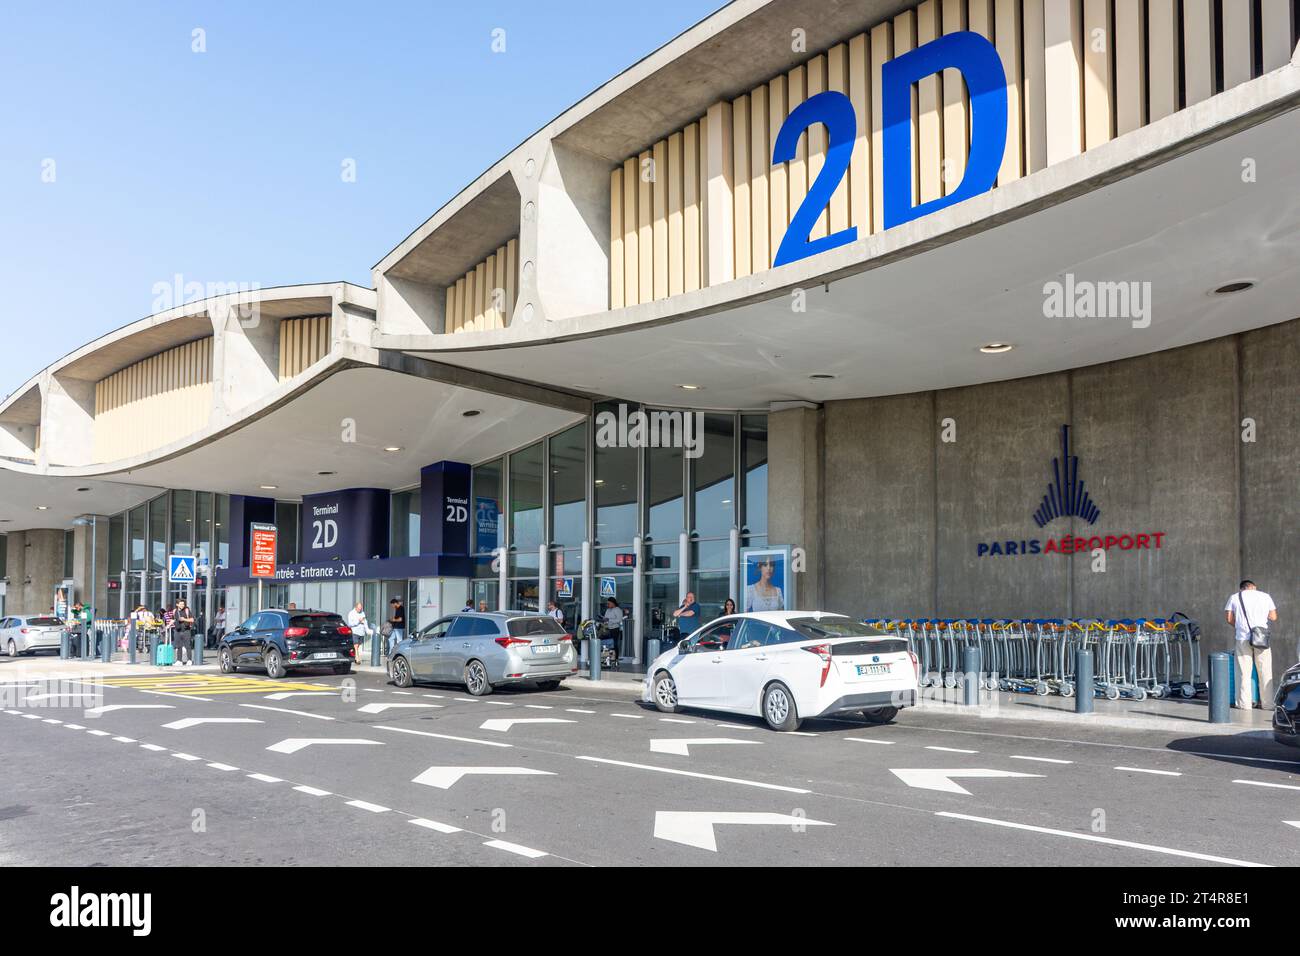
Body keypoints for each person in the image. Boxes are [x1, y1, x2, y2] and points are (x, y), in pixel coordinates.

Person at [1225, 580, 1279, 709]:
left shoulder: (1234, 597)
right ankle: (1267, 704)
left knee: (1243, 672)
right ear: (1254, 587)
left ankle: (1244, 704)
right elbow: (1273, 616)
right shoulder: (1265, 596)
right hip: (1261, 638)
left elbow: (1229, 618)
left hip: (1242, 638)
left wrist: (1239, 627)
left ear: (1241, 589)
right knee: (1265, 671)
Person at [173, 599, 196, 665]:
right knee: (178, 646)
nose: (182, 605)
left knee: (188, 646)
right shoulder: (175, 611)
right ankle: (179, 660)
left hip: (186, 630)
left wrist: (184, 619)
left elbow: (192, 620)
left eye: (183, 604)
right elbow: (173, 619)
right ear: (177, 604)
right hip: (177, 630)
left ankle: (189, 660)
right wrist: (169, 625)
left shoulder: (187, 610)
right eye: (181, 604)